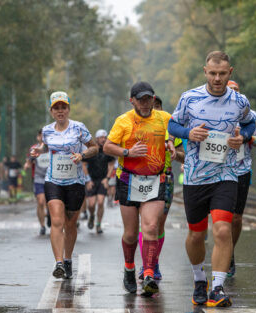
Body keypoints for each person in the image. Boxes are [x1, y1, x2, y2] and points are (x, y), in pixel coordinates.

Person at [168, 51, 256, 307]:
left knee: (222, 229)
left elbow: (250, 124)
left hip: (226, 174)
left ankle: (217, 287)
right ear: (205, 71)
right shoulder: (190, 97)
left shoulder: (239, 101)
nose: (217, 78)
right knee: (196, 235)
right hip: (195, 176)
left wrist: (243, 137)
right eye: (213, 73)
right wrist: (188, 132)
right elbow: (172, 126)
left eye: (222, 74)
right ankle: (199, 279)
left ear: (230, 73)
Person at [103, 82, 175, 296]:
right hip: (128, 180)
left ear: (154, 99)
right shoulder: (123, 121)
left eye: (148, 99)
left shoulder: (164, 118)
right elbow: (107, 146)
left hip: (155, 180)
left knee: (151, 227)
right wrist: (128, 152)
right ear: (132, 101)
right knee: (131, 234)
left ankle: (150, 273)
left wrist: (171, 142)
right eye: (140, 99)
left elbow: (177, 133)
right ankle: (129, 267)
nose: (145, 103)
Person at [31, 91, 98, 279]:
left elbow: (94, 147)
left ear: (68, 109)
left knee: (70, 224)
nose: (60, 111)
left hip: (75, 182)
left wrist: (82, 155)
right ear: (52, 111)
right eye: (56, 108)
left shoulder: (79, 128)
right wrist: (39, 150)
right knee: (57, 221)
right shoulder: (47, 130)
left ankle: (68, 259)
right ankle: (59, 262)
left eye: (63, 107)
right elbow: (45, 146)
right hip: (53, 181)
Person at [137, 95, 185, 280]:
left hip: (165, 177)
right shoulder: (137, 126)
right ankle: (147, 265)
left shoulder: (169, 127)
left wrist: (172, 152)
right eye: (150, 107)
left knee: (159, 224)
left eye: (157, 107)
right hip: (141, 178)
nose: (153, 110)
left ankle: (154, 262)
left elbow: (183, 155)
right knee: (147, 224)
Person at [226, 80, 256, 278]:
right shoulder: (215, 112)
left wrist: (247, 137)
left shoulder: (251, 115)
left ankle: (229, 251)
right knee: (221, 216)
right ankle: (223, 251)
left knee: (236, 217)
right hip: (219, 169)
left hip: (242, 169)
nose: (233, 93)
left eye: (236, 90)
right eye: (229, 89)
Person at [82, 129, 115, 234]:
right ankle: (91, 216)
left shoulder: (107, 150)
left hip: (102, 180)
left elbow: (111, 165)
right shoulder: (91, 150)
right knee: (91, 204)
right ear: (96, 139)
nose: (103, 139)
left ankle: (98, 224)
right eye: (101, 137)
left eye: (105, 138)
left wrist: (107, 178)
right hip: (91, 180)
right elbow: (83, 165)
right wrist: (87, 180)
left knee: (100, 202)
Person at [24, 129, 50, 235]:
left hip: (51, 178)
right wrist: (27, 165)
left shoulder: (52, 148)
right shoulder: (34, 149)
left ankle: (49, 215)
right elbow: (29, 160)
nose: (42, 138)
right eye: (40, 136)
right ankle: (42, 226)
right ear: (37, 137)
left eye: (44, 136)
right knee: (40, 201)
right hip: (38, 178)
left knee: (50, 203)